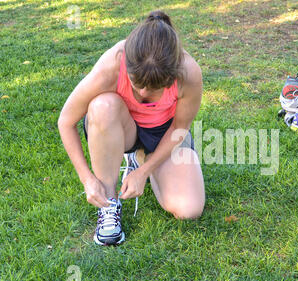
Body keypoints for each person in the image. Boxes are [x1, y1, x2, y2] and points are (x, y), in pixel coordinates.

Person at [58, 10, 205, 246]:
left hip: (165, 133)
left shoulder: (188, 72)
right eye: (137, 84)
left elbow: (179, 128)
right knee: (102, 106)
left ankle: (144, 162)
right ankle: (108, 201)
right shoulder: (112, 63)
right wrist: (87, 179)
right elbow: (66, 121)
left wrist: (144, 171)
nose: (143, 93)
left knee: (189, 209)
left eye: (154, 88)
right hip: (123, 127)